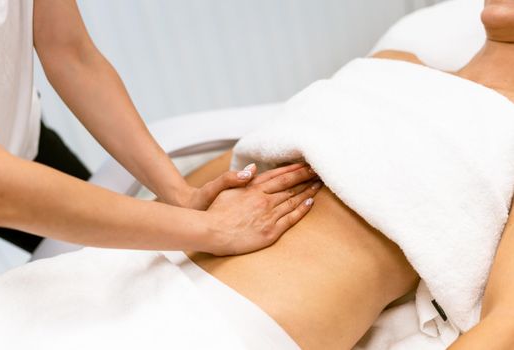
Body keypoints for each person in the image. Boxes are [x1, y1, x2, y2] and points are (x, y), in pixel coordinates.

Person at [180, 0, 514, 348]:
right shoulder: (390, 64)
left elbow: (505, 323)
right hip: (145, 259)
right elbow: (198, 187)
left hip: (237, 320)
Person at [0, 0, 318, 256]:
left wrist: (182, 196)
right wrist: (212, 229)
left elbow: (72, 56)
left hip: (17, 141)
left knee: (90, 260)